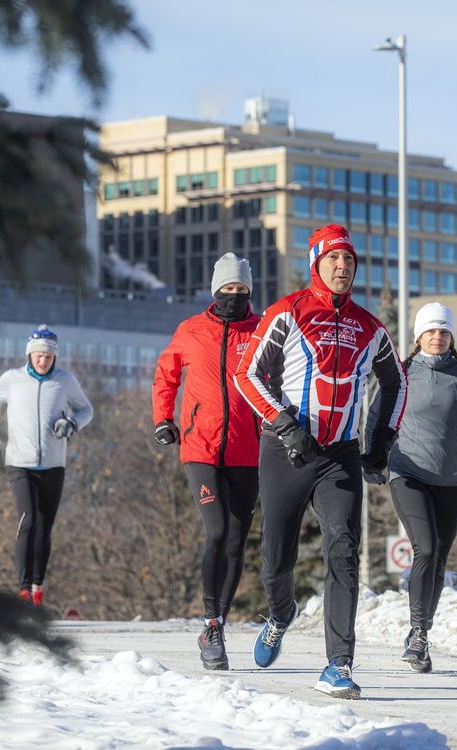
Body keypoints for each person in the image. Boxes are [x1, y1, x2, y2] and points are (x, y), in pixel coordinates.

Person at [235, 224, 408, 700]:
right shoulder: (287, 312)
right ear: (317, 263)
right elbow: (246, 375)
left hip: (340, 456)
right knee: (276, 558)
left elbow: (398, 384)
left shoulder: (371, 327)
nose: (342, 267)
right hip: (286, 448)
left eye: (349, 260)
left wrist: (379, 444)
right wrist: (285, 424)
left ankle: (338, 664)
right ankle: (280, 612)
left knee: (343, 551)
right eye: (333, 259)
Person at [366, 302, 457, 673]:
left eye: (443, 331)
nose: (437, 337)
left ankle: (420, 633)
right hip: (407, 471)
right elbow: (376, 416)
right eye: (430, 331)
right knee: (424, 548)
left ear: (450, 336)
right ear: (418, 336)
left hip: (452, 478)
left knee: (438, 558)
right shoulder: (402, 373)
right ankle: (418, 634)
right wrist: (372, 458)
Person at [152, 252, 262, 671]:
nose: (235, 296)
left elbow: (285, 379)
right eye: (228, 289)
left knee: (236, 541)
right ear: (215, 290)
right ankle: (211, 622)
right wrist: (163, 419)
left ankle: (216, 624)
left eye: (242, 290)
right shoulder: (191, 330)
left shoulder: (261, 330)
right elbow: (166, 375)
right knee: (215, 531)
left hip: (248, 450)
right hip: (200, 448)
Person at [0, 324, 93, 607]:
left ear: (55, 357)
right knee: (27, 521)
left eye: (48, 356)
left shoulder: (65, 381)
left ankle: (37, 589)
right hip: (19, 463)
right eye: (38, 355)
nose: (43, 360)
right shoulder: (12, 379)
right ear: (29, 355)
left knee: (44, 527)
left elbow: (86, 409)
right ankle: (22, 590)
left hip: (54, 465)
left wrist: (71, 423)